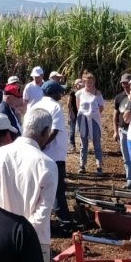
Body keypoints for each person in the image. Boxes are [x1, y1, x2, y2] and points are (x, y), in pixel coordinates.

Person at [0, 108, 58, 262]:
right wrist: (23, 236)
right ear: (46, 132)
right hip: (35, 242)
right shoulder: (46, 164)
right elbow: (43, 211)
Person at [31, 80, 74, 227]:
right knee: (57, 189)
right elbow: (54, 130)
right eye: (59, 92)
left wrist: (36, 147)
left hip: (37, 154)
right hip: (54, 155)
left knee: (39, 187)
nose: (61, 94)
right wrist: (42, 146)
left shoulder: (35, 105)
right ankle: (65, 222)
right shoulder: (55, 106)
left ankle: (44, 220)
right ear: (54, 93)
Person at [75, 72, 106, 175]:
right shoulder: (79, 93)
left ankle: (99, 165)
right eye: (86, 82)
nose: (89, 84)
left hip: (94, 120)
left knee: (96, 142)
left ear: (94, 82)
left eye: (91, 82)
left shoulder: (97, 93)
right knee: (83, 143)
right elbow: (78, 107)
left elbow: (101, 107)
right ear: (84, 82)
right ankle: (82, 165)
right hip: (83, 119)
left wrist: (94, 114)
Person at [113, 73, 131, 188]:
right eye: (123, 83)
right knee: (126, 157)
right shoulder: (119, 97)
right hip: (123, 130)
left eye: (127, 82)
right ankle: (130, 180)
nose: (125, 85)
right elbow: (115, 115)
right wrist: (115, 131)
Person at [67, 78, 81, 151]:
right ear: (76, 85)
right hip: (74, 113)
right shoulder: (72, 93)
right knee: (72, 130)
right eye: (79, 83)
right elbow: (68, 104)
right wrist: (71, 112)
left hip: (81, 113)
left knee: (82, 130)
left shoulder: (83, 92)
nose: (81, 85)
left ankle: (82, 145)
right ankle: (72, 145)